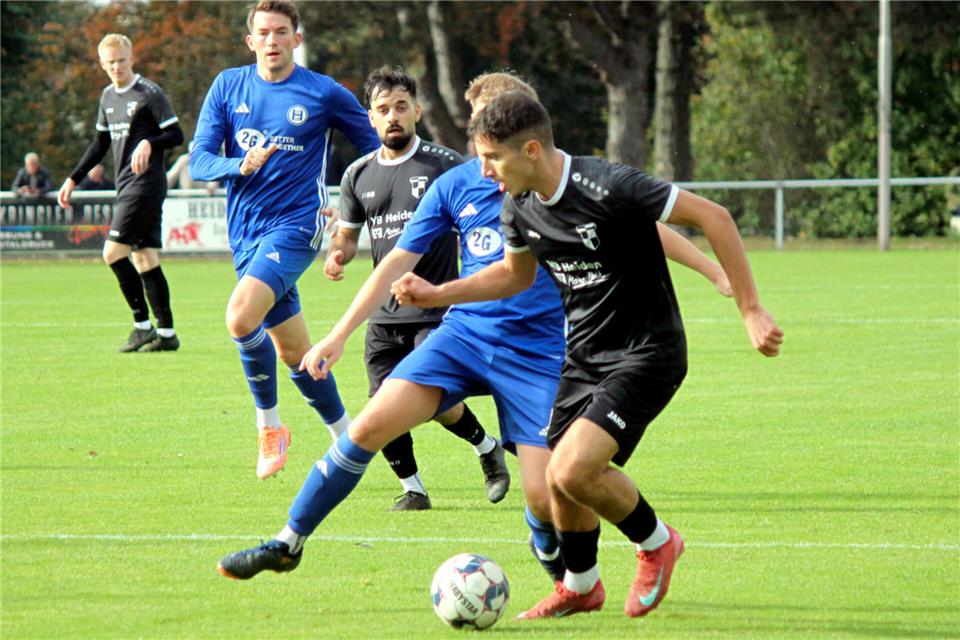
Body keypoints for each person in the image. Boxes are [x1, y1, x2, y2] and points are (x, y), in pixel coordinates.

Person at [215, 72, 732, 585]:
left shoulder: (550, 182)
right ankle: (288, 542)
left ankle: (554, 556)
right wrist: (340, 333)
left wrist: (712, 269)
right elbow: (395, 262)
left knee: (545, 494)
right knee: (369, 425)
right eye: (478, 128)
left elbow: (650, 226)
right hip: (462, 338)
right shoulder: (456, 185)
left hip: (538, 351)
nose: (483, 146)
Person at [392, 91, 783, 620]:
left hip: (647, 352)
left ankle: (657, 543)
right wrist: (438, 293)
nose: (484, 172)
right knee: (557, 477)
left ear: (531, 149)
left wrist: (751, 308)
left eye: (492, 158)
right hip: (584, 355)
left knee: (574, 470)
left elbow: (713, 217)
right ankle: (581, 585)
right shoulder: (519, 206)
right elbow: (514, 276)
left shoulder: (608, 186)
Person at [188, 0, 380, 480]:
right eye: (263, 33)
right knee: (296, 354)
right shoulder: (228, 86)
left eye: (281, 32)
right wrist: (240, 164)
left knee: (239, 316)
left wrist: (351, 202)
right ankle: (348, 441)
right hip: (246, 232)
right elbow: (200, 161)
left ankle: (269, 427)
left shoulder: (323, 92)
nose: (272, 41)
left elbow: (376, 149)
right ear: (250, 41)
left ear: (297, 38)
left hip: (298, 225)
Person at [327, 66, 509, 511]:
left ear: (418, 112)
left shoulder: (445, 167)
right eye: (383, 109)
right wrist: (337, 253)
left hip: (439, 310)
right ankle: (414, 489)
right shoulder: (357, 175)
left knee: (430, 398)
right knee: (380, 406)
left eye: (401, 107)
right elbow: (348, 237)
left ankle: (486, 447)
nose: (393, 116)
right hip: (384, 315)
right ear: (371, 118)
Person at [57, 34, 184, 354]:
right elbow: (100, 144)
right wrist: (73, 178)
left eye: (122, 60)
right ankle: (167, 334)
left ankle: (142, 326)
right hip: (126, 184)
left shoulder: (148, 93)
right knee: (144, 258)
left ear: (132, 58)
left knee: (112, 253)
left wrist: (149, 142)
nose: (117, 67)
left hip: (146, 184)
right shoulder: (107, 97)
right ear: (102, 64)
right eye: (110, 62)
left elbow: (176, 134)